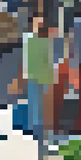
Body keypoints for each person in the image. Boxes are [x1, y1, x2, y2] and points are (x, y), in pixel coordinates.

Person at [18, 16, 56, 149]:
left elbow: (25, 60)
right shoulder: (46, 41)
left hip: (33, 76)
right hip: (44, 76)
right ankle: (44, 131)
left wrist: (22, 77)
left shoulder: (27, 39)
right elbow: (49, 60)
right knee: (45, 104)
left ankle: (36, 129)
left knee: (34, 102)